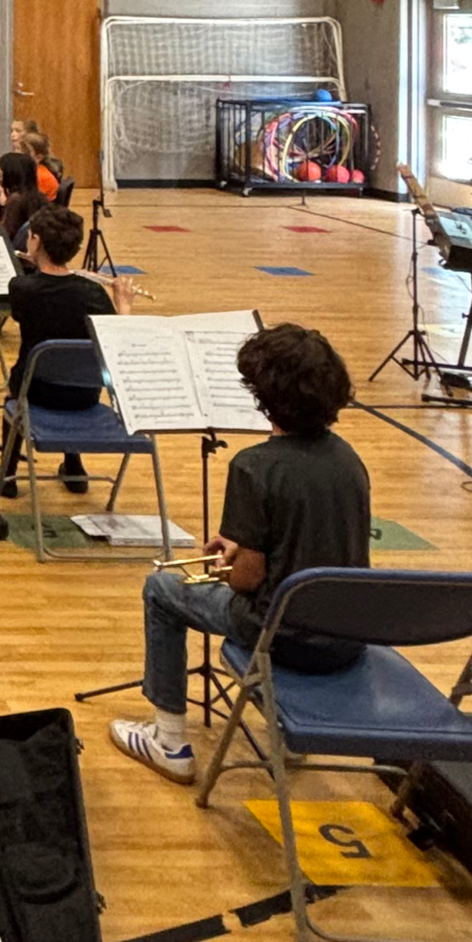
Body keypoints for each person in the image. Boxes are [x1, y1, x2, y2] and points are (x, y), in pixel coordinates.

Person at [110, 324, 371, 784]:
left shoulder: (254, 465)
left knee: (160, 587)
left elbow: (248, 581)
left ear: (264, 396)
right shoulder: (350, 460)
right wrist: (251, 543)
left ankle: (168, 740)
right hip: (344, 637)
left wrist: (232, 561)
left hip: (280, 635)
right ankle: (290, 739)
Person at [0, 204, 136, 499]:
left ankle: (6, 475)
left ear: (36, 242)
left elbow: (25, 310)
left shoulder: (22, 288)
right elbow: (118, 342)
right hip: (84, 395)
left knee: (19, 382)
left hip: (35, 392)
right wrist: (124, 304)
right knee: (73, 366)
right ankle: (73, 466)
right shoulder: (93, 292)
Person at [22, 128, 62, 199]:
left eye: (26, 152)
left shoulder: (40, 177)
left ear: (38, 158)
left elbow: (32, 202)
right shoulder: (35, 172)